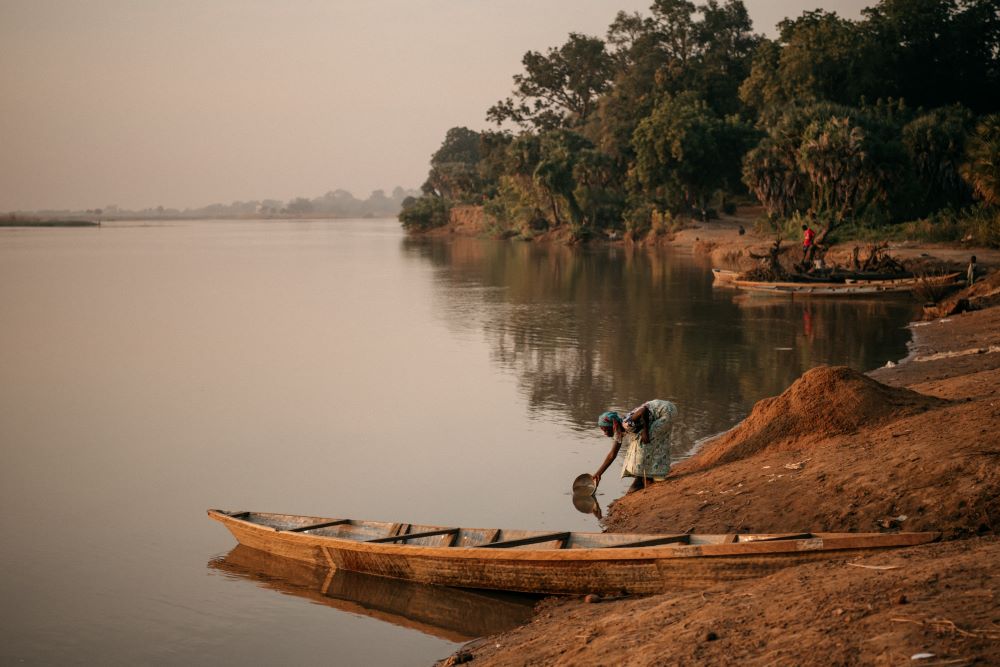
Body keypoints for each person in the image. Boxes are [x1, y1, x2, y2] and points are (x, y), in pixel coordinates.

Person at [593, 400, 678, 493]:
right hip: (660, 411)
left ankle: (649, 476)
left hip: (666, 411)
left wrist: (645, 431)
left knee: (645, 441)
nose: (604, 433)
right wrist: (598, 474)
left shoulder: (627, 423)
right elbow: (612, 454)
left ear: (613, 426)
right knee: (642, 442)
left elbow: (643, 410)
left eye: (605, 429)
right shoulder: (619, 431)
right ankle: (648, 476)